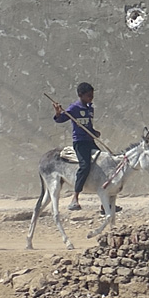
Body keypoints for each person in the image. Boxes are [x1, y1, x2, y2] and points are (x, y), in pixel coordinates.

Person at [51, 82, 100, 211]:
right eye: (89, 95)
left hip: (90, 141)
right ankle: (75, 199)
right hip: (80, 142)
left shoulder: (90, 109)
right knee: (85, 166)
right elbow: (60, 119)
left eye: (92, 95)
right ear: (80, 95)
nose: (91, 98)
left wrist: (94, 132)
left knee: (104, 163)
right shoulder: (74, 108)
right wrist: (57, 112)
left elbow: (89, 126)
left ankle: (105, 201)